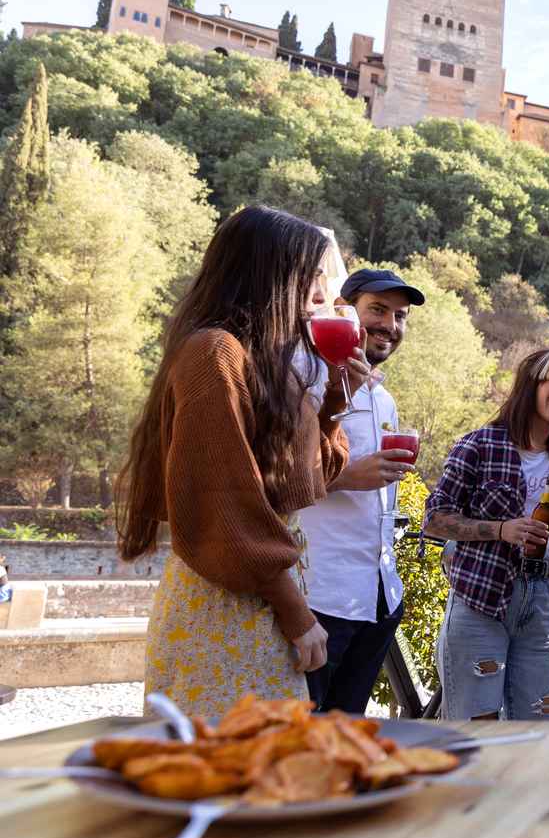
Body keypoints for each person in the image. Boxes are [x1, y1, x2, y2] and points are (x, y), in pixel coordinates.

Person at [117, 207, 351, 717]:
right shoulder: (213, 352)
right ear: (269, 274)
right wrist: (295, 612)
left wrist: (333, 400)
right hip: (225, 597)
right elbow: (222, 505)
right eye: (308, 276)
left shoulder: (264, 360)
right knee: (223, 774)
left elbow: (305, 480)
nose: (321, 294)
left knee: (264, 774)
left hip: (259, 594)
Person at [425, 348, 549, 720]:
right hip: (480, 600)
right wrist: (502, 530)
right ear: (532, 384)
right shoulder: (479, 445)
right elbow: (434, 518)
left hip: (539, 601)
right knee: (478, 730)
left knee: (546, 726)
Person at [299, 268, 426, 713]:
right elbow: (271, 478)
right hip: (320, 596)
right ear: (344, 311)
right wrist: (348, 476)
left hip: (377, 596)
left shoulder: (383, 398)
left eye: (400, 316)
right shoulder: (308, 378)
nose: (389, 325)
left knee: (344, 730)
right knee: (299, 733)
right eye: (377, 309)